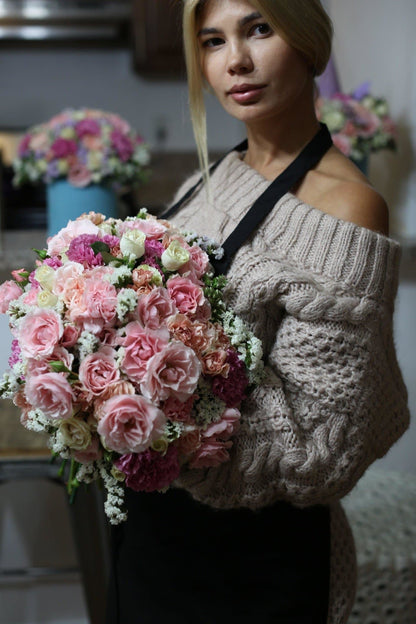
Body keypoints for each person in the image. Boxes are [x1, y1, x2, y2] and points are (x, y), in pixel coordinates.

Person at [105, 1, 409, 622]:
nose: (235, 61)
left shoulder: (348, 210)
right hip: (156, 541)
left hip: (250, 568)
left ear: (307, 42)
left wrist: (150, 434)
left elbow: (317, 443)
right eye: (213, 42)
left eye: (259, 30)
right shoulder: (213, 177)